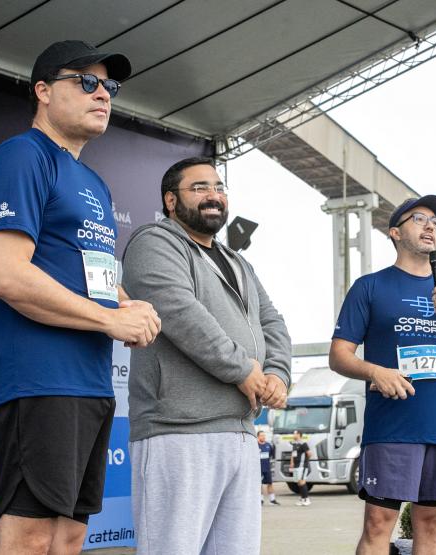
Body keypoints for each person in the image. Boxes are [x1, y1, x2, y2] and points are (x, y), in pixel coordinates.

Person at [0, 40, 161, 555]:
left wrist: (125, 306)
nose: (102, 94)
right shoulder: (21, 156)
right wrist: (107, 322)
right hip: (35, 377)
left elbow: (90, 274)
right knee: (31, 534)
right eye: (86, 82)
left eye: (109, 86)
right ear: (42, 91)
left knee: (70, 534)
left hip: (90, 383)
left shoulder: (94, 183)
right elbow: (7, 276)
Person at [122, 157, 292, 554]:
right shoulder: (154, 242)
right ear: (170, 200)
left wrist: (279, 375)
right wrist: (243, 371)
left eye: (218, 187)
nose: (213, 195)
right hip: (177, 431)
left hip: (240, 433)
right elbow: (181, 314)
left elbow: (273, 322)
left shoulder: (237, 261)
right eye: (199, 188)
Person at [328, 195, 436, 555]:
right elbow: (338, 355)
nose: (431, 226)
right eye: (420, 219)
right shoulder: (370, 287)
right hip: (392, 428)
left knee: (432, 526)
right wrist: (374, 371)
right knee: (378, 525)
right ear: (395, 233)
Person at [288, 430, 314, 506]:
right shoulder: (294, 444)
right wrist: (291, 463)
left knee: (302, 482)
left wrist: (305, 461)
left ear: (299, 435)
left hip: (302, 466)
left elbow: (309, 454)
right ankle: (302, 498)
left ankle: (306, 499)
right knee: (299, 482)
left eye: (294, 434)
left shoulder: (303, 444)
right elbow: (293, 454)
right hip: (296, 466)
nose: (293, 435)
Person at [257, 431, 279, 505]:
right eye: (261, 435)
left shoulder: (268, 445)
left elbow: (271, 455)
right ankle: (260, 500)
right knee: (259, 485)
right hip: (258, 469)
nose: (263, 437)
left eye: (264, 435)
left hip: (267, 468)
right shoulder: (255, 445)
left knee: (270, 483)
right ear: (258, 437)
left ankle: (272, 500)